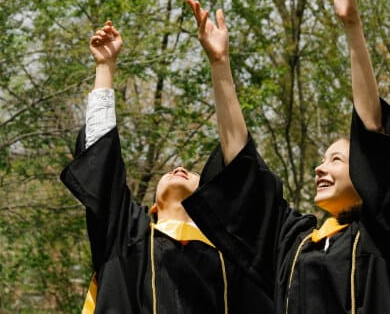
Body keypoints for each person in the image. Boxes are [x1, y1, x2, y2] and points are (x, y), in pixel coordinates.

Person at [182, 0, 390, 313]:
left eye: (336, 159)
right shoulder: (293, 244)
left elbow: (371, 129)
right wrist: (220, 66)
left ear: (364, 172)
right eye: (322, 159)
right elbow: (241, 169)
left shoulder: (386, 236)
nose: (320, 168)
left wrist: (352, 25)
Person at [60, 21, 274, 313]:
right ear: (152, 208)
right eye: (169, 173)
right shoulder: (128, 237)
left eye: (194, 173)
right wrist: (105, 67)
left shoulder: (231, 258)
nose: (180, 169)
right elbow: (101, 163)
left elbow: (241, 171)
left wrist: (220, 63)